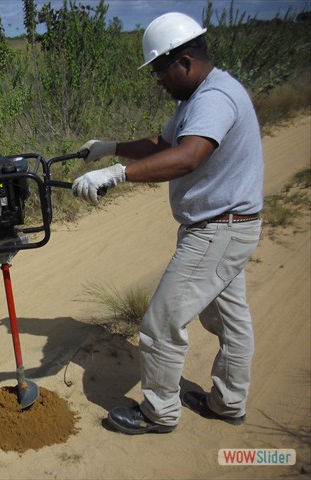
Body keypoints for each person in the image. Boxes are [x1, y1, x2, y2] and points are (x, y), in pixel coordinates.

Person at [72, 12, 263, 434]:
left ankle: (159, 412)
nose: (158, 80)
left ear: (185, 61)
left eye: (160, 70)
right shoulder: (199, 97)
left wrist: (118, 175)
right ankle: (229, 402)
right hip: (230, 227)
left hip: (217, 231)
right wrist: (112, 148)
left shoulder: (214, 99)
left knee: (160, 324)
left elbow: (188, 156)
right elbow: (165, 143)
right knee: (229, 321)